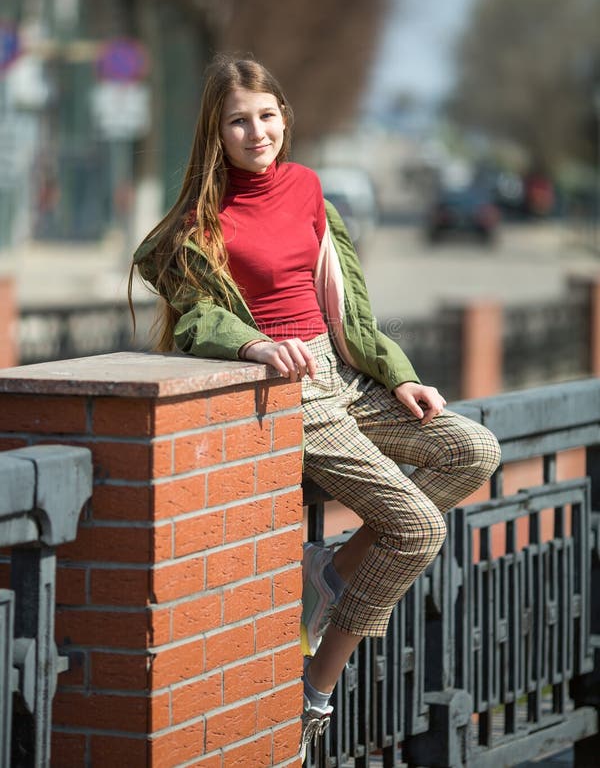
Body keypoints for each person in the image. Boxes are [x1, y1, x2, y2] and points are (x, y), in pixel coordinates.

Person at [130, 54, 501, 762]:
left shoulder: (307, 189)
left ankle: (327, 574)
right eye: (238, 120)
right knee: (418, 529)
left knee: (472, 450)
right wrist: (253, 345)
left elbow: (348, 308)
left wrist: (398, 377)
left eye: (266, 116)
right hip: (292, 391)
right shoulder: (197, 222)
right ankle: (315, 690)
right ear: (216, 130)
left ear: (284, 119)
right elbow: (196, 318)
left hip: (343, 379)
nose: (256, 131)